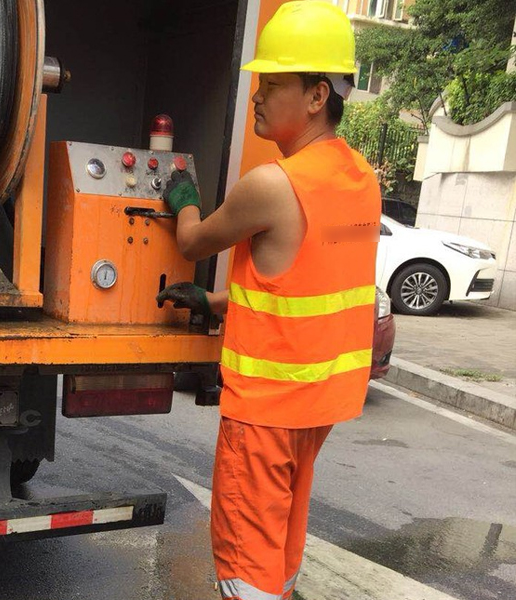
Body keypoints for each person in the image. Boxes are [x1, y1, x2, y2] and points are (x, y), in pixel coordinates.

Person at [156, 3, 382, 599]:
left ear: (316, 95)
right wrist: (216, 301)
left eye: (273, 84)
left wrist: (182, 192)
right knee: (281, 544)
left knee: (243, 560)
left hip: (265, 411)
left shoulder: (272, 185)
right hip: (317, 404)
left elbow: (193, 239)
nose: (257, 96)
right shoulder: (360, 176)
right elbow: (306, 279)